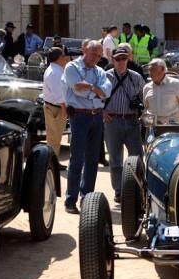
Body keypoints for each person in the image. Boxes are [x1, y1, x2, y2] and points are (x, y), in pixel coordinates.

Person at [61, 39, 112, 213]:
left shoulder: (100, 71)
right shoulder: (72, 68)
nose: (96, 58)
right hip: (80, 117)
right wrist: (95, 90)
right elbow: (77, 88)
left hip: (96, 117)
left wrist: (91, 89)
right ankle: (70, 200)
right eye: (93, 54)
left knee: (92, 160)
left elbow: (107, 91)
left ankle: (87, 198)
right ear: (84, 50)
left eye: (99, 55)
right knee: (77, 159)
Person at [105, 45, 146, 202]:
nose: (121, 61)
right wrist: (102, 111)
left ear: (128, 59)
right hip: (112, 122)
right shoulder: (106, 77)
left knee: (137, 157)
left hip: (132, 122)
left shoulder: (136, 77)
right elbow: (95, 97)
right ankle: (119, 191)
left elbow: (145, 97)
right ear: (113, 60)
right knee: (115, 159)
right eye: (118, 59)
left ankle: (138, 188)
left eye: (124, 58)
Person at [40, 47, 67, 169]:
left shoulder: (54, 69)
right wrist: (67, 110)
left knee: (54, 138)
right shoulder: (55, 72)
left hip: (54, 107)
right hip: (56, 108)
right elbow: (60, 96)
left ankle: (53, 163)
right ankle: (51, 164)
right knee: (54, 139)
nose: (65, 58)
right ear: (59, 58)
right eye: (63, 56)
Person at [143, 57, 179, 126]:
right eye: (149, 70)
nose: (151, 73)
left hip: (171, 128)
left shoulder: (176, 84)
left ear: (163, 69)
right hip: (152, 127)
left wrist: (177, 124)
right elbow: (146, 108)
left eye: (154, 70)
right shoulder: (146, 88)